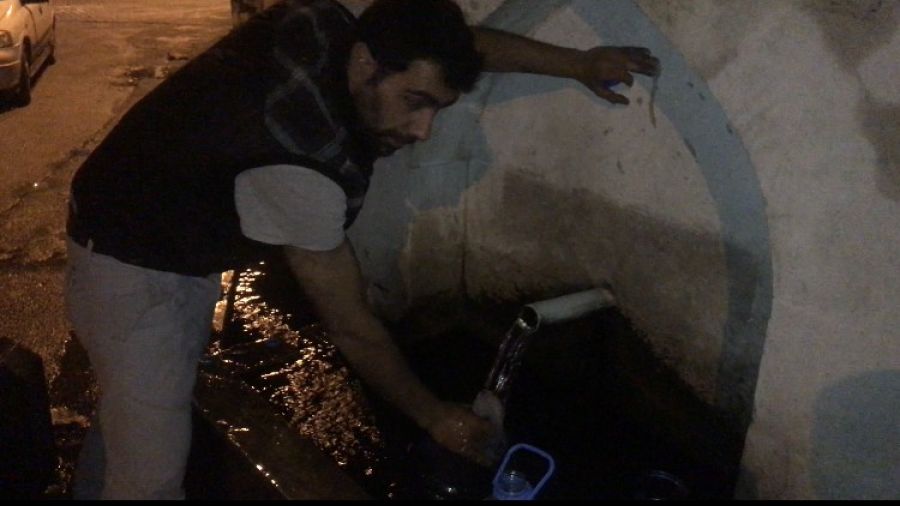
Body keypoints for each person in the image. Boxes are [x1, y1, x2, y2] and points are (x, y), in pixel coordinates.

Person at [64, 0, 659, 499]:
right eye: (415, 101)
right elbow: (352, 325)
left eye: (436, 106)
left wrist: (577, 63)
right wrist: (435, 417)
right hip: (131, 262)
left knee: (136, 406)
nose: (423, 130)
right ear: (367, 65)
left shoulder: (334, 28)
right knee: (151, 473)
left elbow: (461, 47)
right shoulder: (300, 164)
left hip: (159, 219)